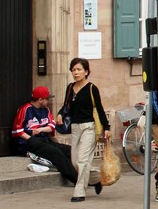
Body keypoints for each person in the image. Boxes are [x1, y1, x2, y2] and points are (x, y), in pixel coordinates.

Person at [11, 86, 79, 185]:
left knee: (70, 150)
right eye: (47, 99)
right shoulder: (25, 109)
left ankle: (83, 174)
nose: (48, 101)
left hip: (44, 139)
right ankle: (76, 180)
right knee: (56, 153)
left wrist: (40, 130)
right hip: (28, 141)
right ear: (40, 100)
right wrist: (31, 139)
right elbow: (18, 130)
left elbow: (51, 126)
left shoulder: (46, 110)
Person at [64, 57, 110, 201]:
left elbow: (100, 109)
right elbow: (66, 107)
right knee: (75, 161)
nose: (76, 73)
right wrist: (60, 114)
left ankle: (79, 192)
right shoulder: (70, 88)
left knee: (82, 160)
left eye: (79, 69)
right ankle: (96, 179)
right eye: (73, 70)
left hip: (89, 127)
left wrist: (106, 127)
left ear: (86, 71)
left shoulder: (91, 88)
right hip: (75, 127)